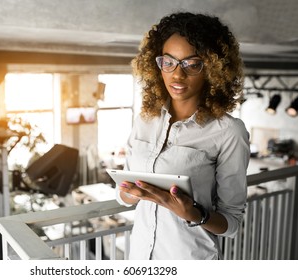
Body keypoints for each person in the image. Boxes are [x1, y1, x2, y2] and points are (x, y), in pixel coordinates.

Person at [115, 12, 250, 260]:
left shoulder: (229, 131)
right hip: (139, 257)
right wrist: (129, 192)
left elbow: (231, 223)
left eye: (192, 64)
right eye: (169, 62)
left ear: (213, 69)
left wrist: (195, 214)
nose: (177, 75)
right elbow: (123, 195)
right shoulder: (144, 120)